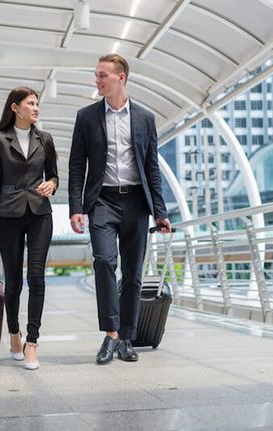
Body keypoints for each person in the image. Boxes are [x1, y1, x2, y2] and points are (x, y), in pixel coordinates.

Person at [69, 54, 171, 364]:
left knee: (133, 275)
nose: (97, 81)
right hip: (102, 201)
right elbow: (77, 165)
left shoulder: (144, 118)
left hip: (137, 202)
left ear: (120, 78)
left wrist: (160, 211)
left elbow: (151, 167)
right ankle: (111, 334)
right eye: (96, 75)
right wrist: (76, 207)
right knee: (103, 261)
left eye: (102, 76)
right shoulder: (86, 117)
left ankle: (127, 338)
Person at [0, 86, 58, 370]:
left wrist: (53, 184)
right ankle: (14, 333)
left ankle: (32, 342)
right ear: (15, 108)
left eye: (37, 103)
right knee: (14, 281)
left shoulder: (45, 139)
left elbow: (54, 176)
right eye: (30, 103)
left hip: (40, 213)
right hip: (9, 213)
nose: (36, 108)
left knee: (36, 277)